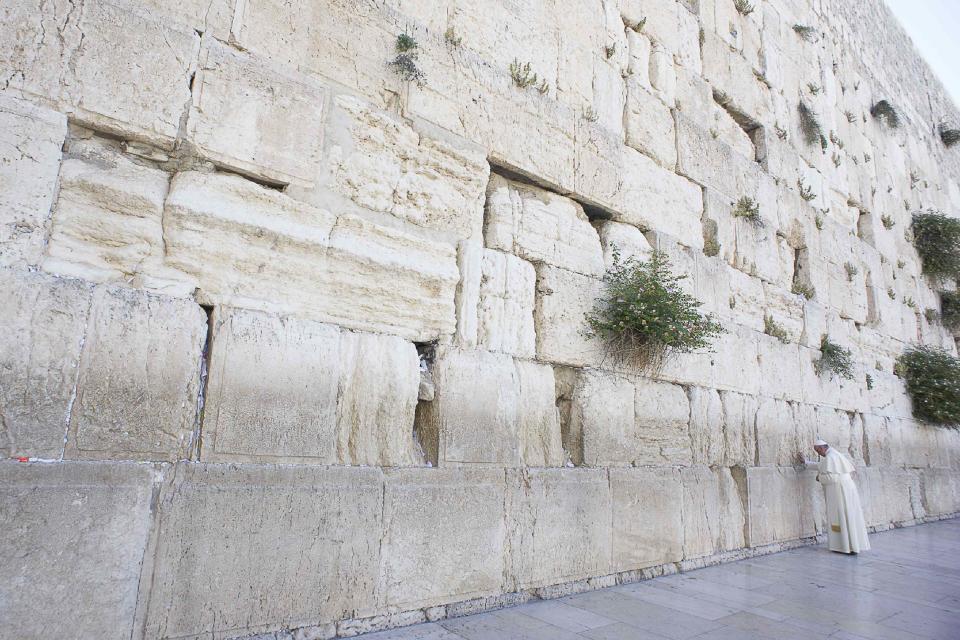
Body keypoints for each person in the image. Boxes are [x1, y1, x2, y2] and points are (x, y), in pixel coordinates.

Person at [812, 438, 870, 554]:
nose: (818, 454)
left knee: (842, 518)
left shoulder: (831, 457)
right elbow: (822, 466)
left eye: (818, 451)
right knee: (849, 517)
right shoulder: (834, 454)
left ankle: (845, 547)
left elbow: (832, 478)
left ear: (822, 447)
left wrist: (819, 478)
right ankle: (851, 545)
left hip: (839, 492)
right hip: (846, 490)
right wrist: (806, 463)